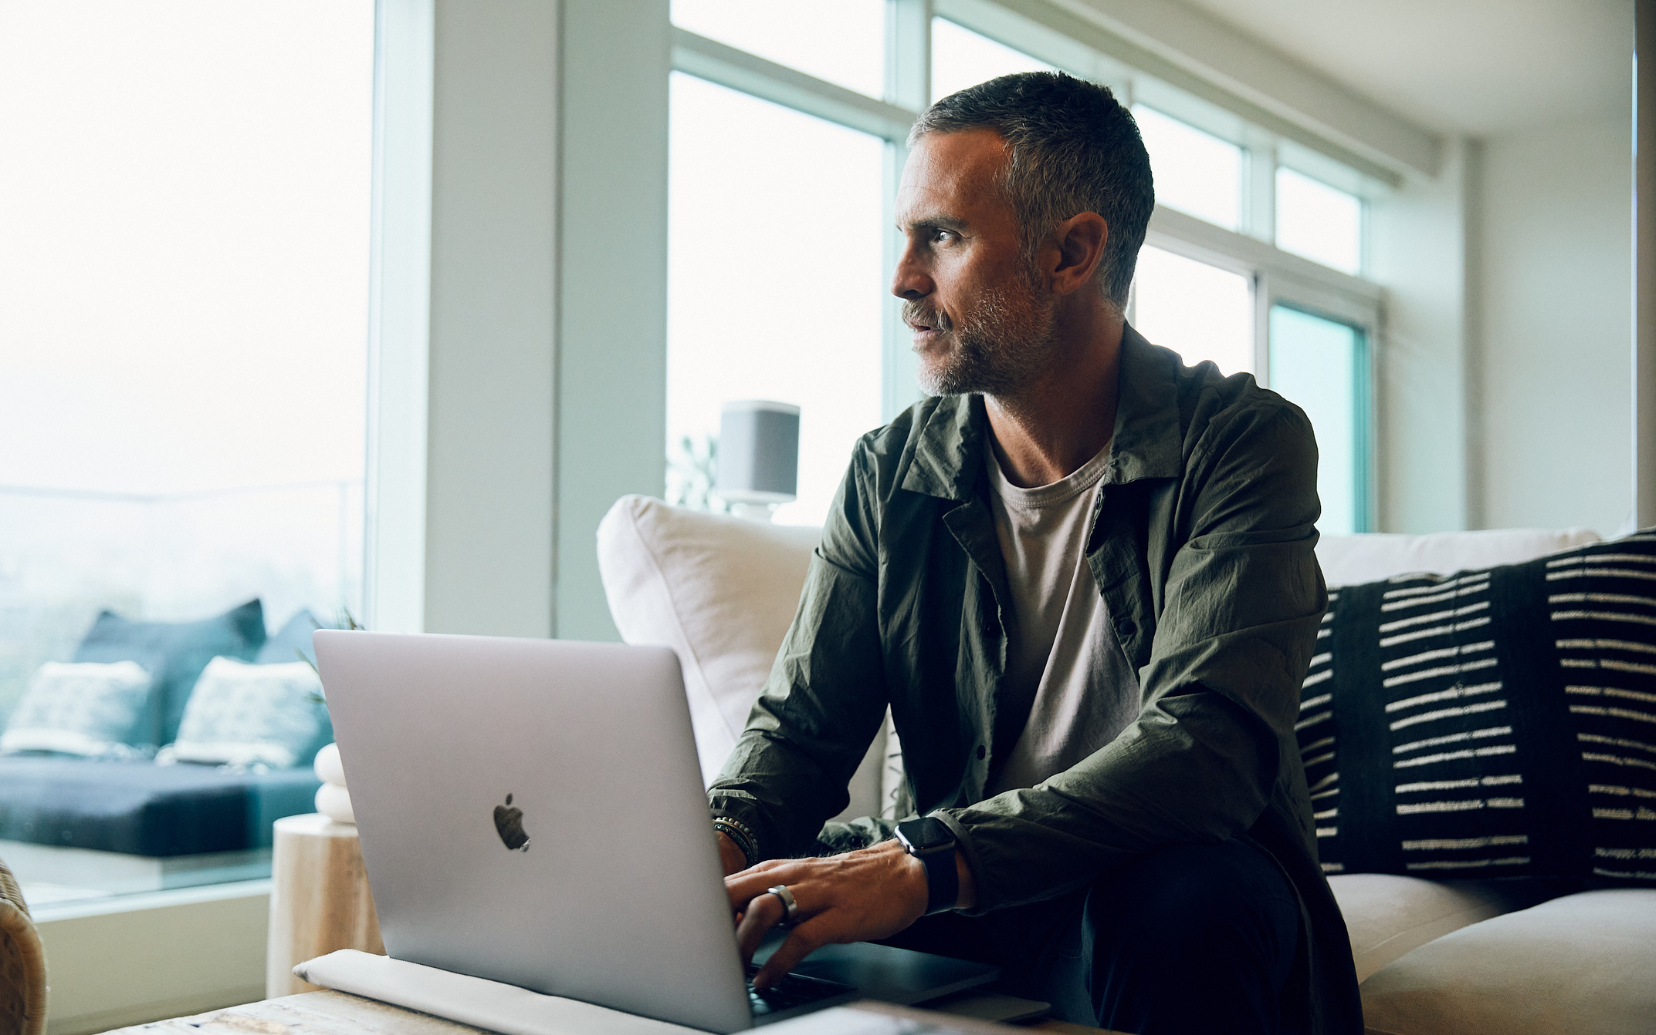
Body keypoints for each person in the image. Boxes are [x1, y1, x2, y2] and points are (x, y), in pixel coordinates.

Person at [706, 72, 1361, 1035]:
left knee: (1187, 904)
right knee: (751, 900)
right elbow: (800, 733)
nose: (903, 279)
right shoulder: (892, 470)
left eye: (944, 236)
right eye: (906, 237)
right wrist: (713, 853)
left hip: (1135, 886)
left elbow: (1206, 753)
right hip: (956, 887)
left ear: (1072, 251)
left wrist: (926, 863)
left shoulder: (1242, 441)